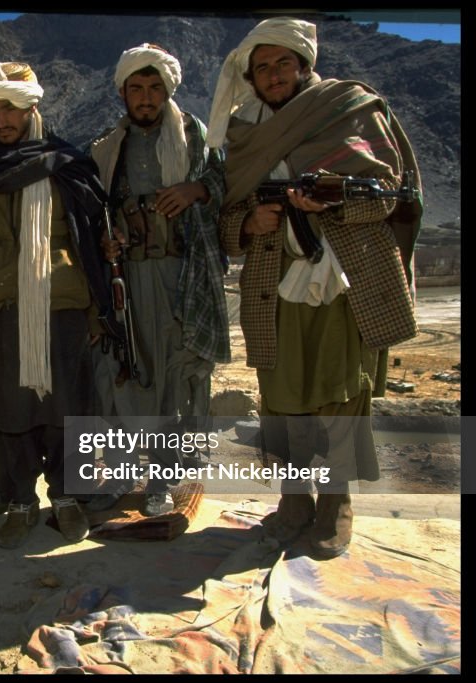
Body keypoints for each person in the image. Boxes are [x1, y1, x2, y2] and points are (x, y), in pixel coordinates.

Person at [208, 17, 422, 558]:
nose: (274, 75)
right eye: (263, 67)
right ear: (251, 77)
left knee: (340, 397)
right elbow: (225, 220)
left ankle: (336, 504)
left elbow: (390, 197)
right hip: (273, 288)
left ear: (304, 66)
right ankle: (294, 501)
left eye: (284, 63)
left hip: (345, 285)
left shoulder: (350, 109)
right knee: (282, 401)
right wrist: (249, 224)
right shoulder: (241, 133)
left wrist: (333, 204)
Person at [0, 62, 112, 549]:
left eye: (10, 110)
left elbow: (91, 241)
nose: (0, 121)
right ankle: (20, 502)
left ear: (32, 108)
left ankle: (67, 499)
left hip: (60, 308)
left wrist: (97, 311)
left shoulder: (66, 165)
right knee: (6, 412)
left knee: (66, 409)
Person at [88, 43, 230, 516]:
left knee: (175, 379)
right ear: (123, 93)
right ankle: (123, 474)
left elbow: (229, 182)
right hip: (127, 278)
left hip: (182, 275)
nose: (145, 97)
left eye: (154, 88)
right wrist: (105, 243)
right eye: (136, 89)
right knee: (126, 376)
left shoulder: (196, 136)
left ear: (167, 90)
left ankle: (162, 481)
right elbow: (96, 212)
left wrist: (198, 188)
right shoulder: (107, 149)